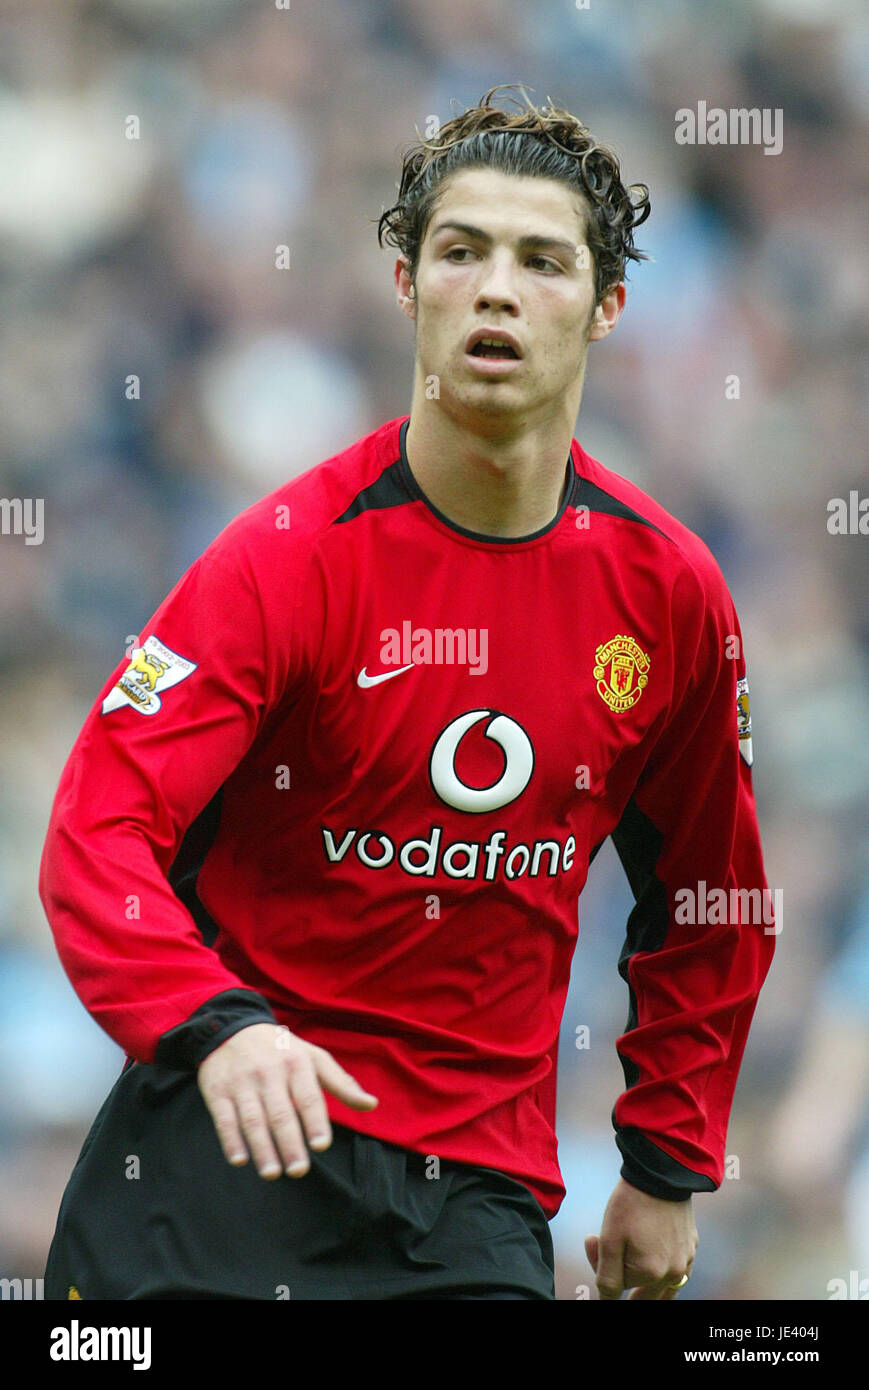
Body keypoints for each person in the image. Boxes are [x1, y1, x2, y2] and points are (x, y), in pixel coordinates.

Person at [40, 85, 775, 1301]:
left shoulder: (668, 596)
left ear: (606, 308)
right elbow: (96, 831)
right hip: (214, 1159)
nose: (495, 287)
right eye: (459, 251)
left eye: (541, 261)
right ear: (406, 285)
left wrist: (663, 1160)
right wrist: (216, 1025)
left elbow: (713, 901)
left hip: (466, 1210)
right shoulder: (285, 555)